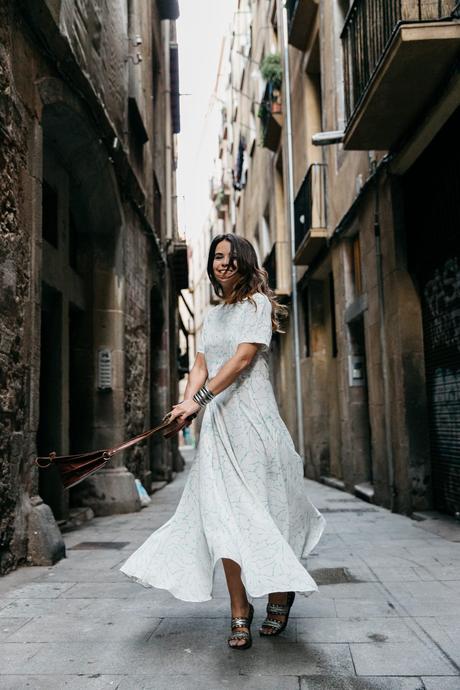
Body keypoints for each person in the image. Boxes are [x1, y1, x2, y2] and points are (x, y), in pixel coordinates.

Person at [120, 233, 326, 650]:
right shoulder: (212, 317)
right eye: (217, 257)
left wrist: (198, 400)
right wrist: (184, 405)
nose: (224, 263)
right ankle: (239, 608)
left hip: (254, 424)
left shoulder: (257, 305)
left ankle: (280, 592)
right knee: (223, 518)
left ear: (245, 262)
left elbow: (241, 359)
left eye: (231, 257)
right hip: (219, 429)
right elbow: (201, 364)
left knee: (266, 511)